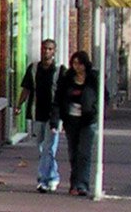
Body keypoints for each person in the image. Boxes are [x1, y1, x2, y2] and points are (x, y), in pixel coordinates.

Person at [19, 37, 67, 191]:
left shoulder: (60, 71)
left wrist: (64, 116)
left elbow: (65, 94)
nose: (46, 51)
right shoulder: (33, 68)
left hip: (53, 115)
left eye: (50, 49)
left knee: (49, 148)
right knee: (41, 147)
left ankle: (44, 180)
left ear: (54, 51)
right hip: (36, 113)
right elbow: (26, 88)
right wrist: (19, 105)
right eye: (44, 48)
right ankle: (53, 176)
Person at [56, 50, 99, 196]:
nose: (77, 67)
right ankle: (74, 184)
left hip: (88, 121)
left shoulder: (93, 79)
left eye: (79, 63)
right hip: (71, 120)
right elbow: (59, 98)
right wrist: (57, 119)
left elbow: (101, 96)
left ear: (85, 64)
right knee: (73, 153)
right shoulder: (67, 78)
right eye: (74, 63)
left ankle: (83, 185)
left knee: (84, 153)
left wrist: (95, 110)